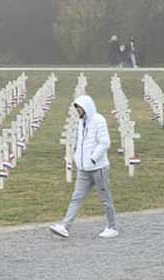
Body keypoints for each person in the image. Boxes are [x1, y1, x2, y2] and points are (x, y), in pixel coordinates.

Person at [49, 96, 119, 237]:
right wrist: (77, 158)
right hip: (83, 169)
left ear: (86, 107)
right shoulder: (82, 122)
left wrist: (93, 159)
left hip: (98, 168)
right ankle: (65, 226)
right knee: (76, 197)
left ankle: (112, 227)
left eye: (79, 108)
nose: (78, 111)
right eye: (76, 109)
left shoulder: (99, 120)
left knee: (105, 198)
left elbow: (104, 143)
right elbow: (81, 143)